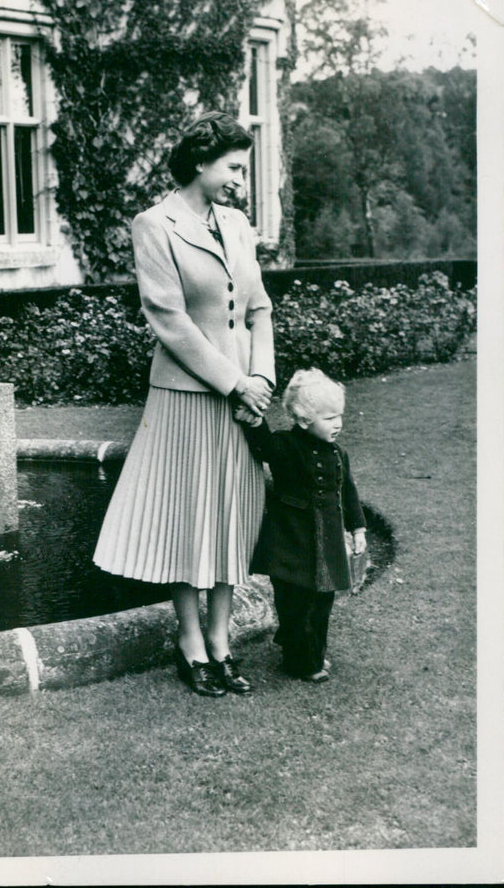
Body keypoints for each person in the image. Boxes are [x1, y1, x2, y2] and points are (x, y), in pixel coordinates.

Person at [93, 111, 275, 698]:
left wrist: (262, 378)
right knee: (188, 518)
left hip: (242, 398)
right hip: (187, 398)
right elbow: (170, 321)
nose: (239, 180)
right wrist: (234, 381)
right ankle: (190, 643)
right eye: (233, 167)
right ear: (201, 162)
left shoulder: (238, 224)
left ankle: (222, 643)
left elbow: (259, 310)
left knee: (229, 516)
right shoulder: (155, 224)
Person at [236, 368, 367, 683]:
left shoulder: (338, 453)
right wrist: (254, 422)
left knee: (322, 600)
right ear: (305, 419)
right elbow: (264, 447)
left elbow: (347, 492)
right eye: (329, 418)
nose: (338, 424)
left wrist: (358, 529)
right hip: (292, 541)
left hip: (328, 541)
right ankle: (301, 661)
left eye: (339, 416)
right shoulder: (286, 445)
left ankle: (313, 652)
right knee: (296, 602)